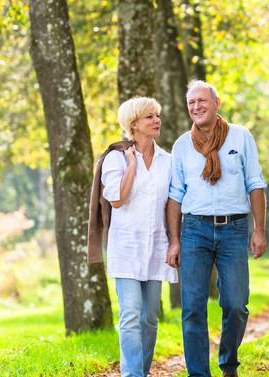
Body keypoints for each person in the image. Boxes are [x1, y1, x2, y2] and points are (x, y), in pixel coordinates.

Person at [165, 80, 267, 377]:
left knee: (236, 304)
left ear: (216, 103)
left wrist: (258, 230)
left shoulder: (241, 136)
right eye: (191, 103)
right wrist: (175, 240)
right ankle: (198, 373)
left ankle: (229, 364)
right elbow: (175, 195)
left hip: (234, 228)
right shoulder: (182, 145)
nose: (196, 107)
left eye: (202, 101)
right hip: (194, 229)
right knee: (193, 307)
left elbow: (255, 184)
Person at [87, 97, 178, 377]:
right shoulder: (116, 158)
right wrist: (132, 165)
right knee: (130, 315)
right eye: (150, 117)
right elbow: (116, 199)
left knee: (150, 319)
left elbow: (174, 203)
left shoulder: (168, 161)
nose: (156, 120)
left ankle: (142, 370)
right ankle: (132, 375)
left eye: (157, 115)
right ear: (133, 124)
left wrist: (175, 240)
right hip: (126, 246)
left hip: (157, 247)